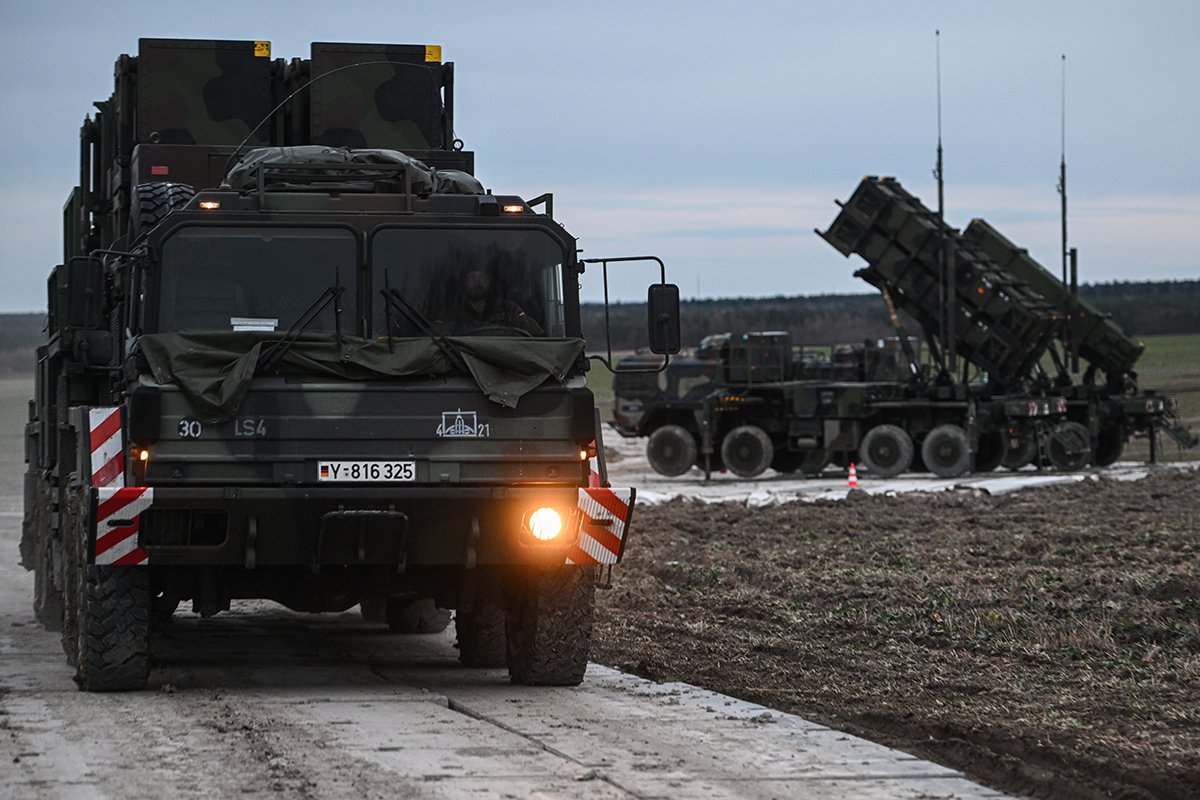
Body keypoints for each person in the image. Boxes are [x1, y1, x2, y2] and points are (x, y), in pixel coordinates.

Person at [447, 268, 543, 336]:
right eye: (471, 278)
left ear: (489, 281)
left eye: (481, 277)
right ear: (464, 282)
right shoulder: (450, 315)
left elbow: (537, 337)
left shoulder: (509, 310)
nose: (476, 282)